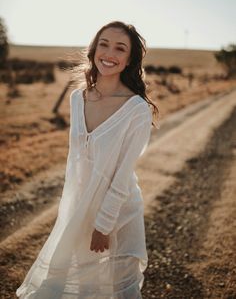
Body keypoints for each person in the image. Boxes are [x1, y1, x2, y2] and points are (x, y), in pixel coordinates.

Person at [16, 21, 159, 298]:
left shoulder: (137, 109)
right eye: (104, 44)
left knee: (118, 288)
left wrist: (103, 225)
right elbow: (76, 164)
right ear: (93, 49)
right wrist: (73, 210)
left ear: (129, 59)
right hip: (79, 207)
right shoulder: (77, 98)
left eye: (120, 48)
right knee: (78, 284)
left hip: (118, 212)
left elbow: (122, 173)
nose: (109, 53)